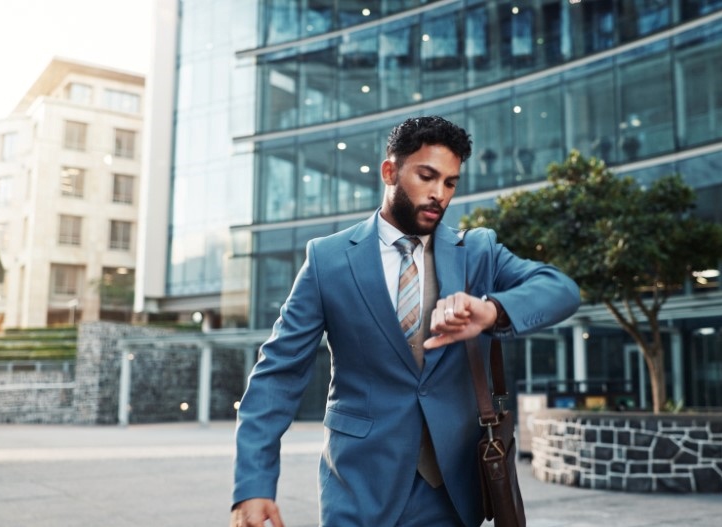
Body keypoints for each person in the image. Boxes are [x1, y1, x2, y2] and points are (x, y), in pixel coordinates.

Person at [230, 116, 581, 527]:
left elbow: (560, 289)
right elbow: (277, 375)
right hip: (358, 486)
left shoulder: (478, 250)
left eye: (450, 183)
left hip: (450, 491)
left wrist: (492, 311)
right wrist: (253, 485)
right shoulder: (328, 259)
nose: (438, 194)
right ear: (390, 171)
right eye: (427, 176)